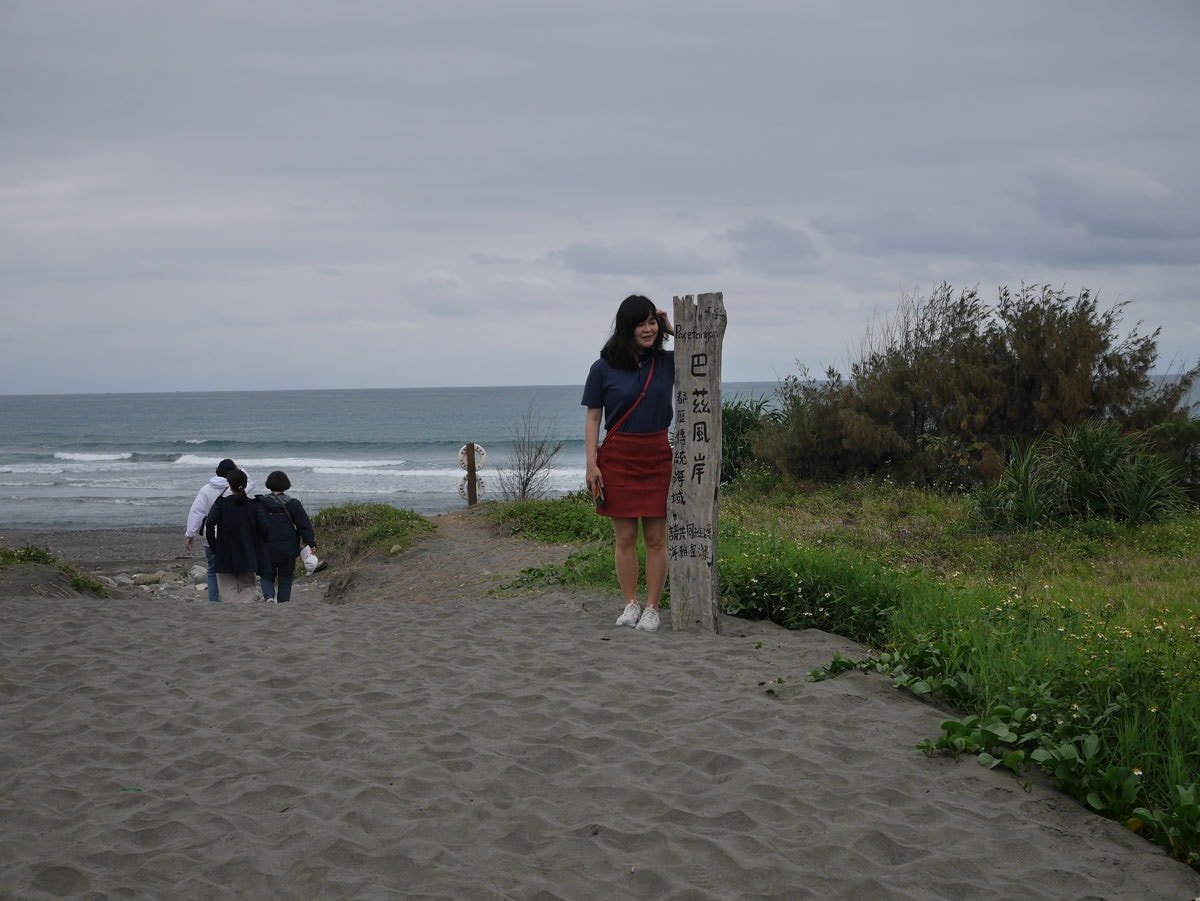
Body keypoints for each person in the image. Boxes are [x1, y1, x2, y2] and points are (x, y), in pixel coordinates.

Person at [582, 294, 675, 632]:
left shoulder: (666, 362)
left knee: (656, 539)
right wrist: (591, 463)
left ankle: (652, 608)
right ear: (626, 328)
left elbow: (702, 355)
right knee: (624, 538)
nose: (648, 329)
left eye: (652, 322)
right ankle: (631, 603)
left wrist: (672, 329)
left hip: (657, 454)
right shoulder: (603, 368)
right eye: (641, 324)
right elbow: (594, 418)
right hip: (618, 455)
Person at [184, 458, 255, 602]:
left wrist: (190, 534)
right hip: (234, 537)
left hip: (211, 538)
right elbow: (250, 482)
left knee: (212, 570)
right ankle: (236, 599)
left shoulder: (205, 489)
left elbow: (196, 512)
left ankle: (214, 601)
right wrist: (239, 469)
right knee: (236, 570)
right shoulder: (236, 488)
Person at [204, 468, 269, 604]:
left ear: (229, 485)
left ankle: (232, 612)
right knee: (248, 589)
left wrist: (215, 547)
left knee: (227, 590)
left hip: (225, 553)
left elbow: (209, 524)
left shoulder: (221, 504)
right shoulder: (254, 505)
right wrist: (258, 545)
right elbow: (264, 527)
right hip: (248, 552)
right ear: (245, 485)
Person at [257, 470, 320, 603]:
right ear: (286, 485)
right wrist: (311, 543)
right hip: (288, 547)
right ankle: (283, 603)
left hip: (266, 547)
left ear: (269, 484)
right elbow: (304, 525)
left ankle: (269, 597)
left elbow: (253, 525)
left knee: (266, 575)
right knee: (285, 578)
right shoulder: (293, 503)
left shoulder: (261, 503)